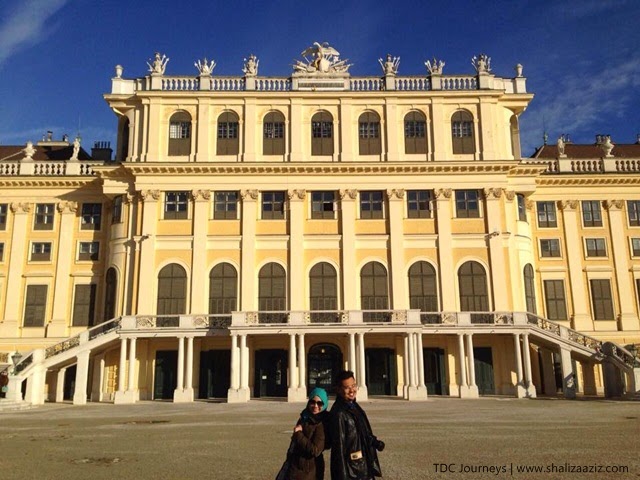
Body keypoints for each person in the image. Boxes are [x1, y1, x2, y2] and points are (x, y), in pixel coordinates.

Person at [329, 371, 384, 480]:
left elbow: (362, 432)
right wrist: (342, 476)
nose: (352, 390)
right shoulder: (339, 413)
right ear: (339, 389)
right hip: (353, 470)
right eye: (347, 387)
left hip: (363, 464)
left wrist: (374, 442)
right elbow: (338, 449)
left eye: (353, 386)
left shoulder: (354, 406)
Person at [286, 387, 329, 480]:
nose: (315, 406)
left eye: (320, 403)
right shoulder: (305, 416)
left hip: (309, 470)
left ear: (325, 404)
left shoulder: (322, 423)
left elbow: (315, 450)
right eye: (312, 402)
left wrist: (299, 434)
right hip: (297, 466)